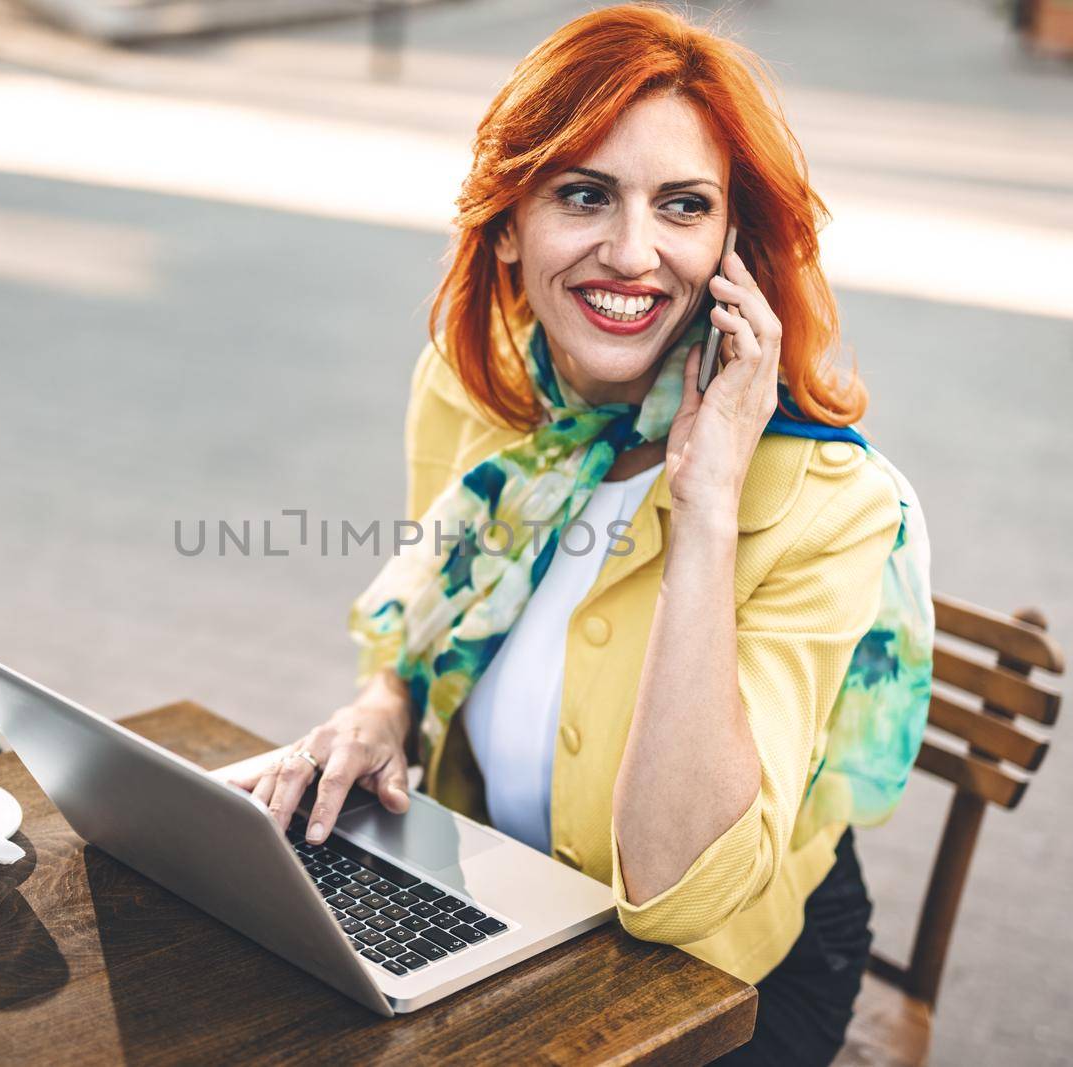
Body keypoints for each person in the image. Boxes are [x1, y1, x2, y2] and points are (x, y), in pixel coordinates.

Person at [231, 5, 916, 1061]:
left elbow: (675, 896)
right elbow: (429, 630)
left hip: (722, 982)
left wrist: (705, 505)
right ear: (508, 222)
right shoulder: (477, 394)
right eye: (584, 194)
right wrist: (380, 709)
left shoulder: (830, 504)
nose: (632, 253)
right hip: (506, 902)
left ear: (732, 246)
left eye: (682, 205)